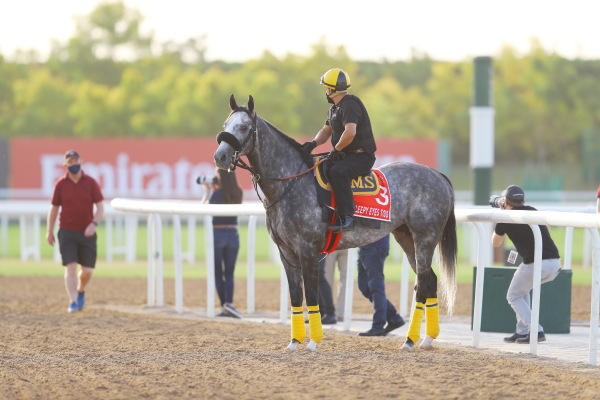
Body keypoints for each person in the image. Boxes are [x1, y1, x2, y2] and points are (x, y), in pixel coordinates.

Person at [301, 68, 377, 232]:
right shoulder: (334, 109)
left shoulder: (350, 104)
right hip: (345, 155)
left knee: (338, 172)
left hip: (362, 157)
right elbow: (326, 131)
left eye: (326, 88)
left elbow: (350, 132)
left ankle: (348, 217)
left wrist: (336, 149)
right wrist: (313, 144)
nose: (326, 91)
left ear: (332, 89)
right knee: (319, 165)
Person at [491, 185, 561, 344]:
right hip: (555, 263)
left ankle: (536, 330)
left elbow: (495, 243)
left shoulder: (504, 217)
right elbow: (547, 228)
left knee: (513, 296)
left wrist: (500, 219)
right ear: (523, 200)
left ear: (506, 202)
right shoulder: (533, 210)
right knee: (522, 291)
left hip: (536, 263)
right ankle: (521, 331)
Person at [46, 150, 104, 313]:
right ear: (65, 165)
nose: (74, 164)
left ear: (80, 162)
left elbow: (100, 207)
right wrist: (49, 230)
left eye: (75, 161)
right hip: (67, 231)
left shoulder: (90, 183)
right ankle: (73, 302)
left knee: (87, 271)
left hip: (87, 233)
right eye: (70, 162)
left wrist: (94, 223)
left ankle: (80, 291)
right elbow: (54, 208)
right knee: (71, 267)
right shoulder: (61, 184)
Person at [201, 169, 243, 319]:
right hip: (233, 234)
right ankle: (229, 304)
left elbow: (204, 210)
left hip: (217, 234)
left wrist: (206, 192)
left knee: (218, 273)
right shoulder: (238, 192)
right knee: (230, 273)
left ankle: (224, 306)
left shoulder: (217, 194)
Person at [356, 234, 405, 336]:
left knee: (376, 287)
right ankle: (393, 318)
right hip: (364, 245)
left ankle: (378, 326)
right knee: (364, 286)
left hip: (374, 246)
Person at [323, 249, 348, 321]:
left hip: (332, 243)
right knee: (345, 280)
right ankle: (340, 313)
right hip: (347, 243)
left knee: (327, 278)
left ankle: (327, 311)